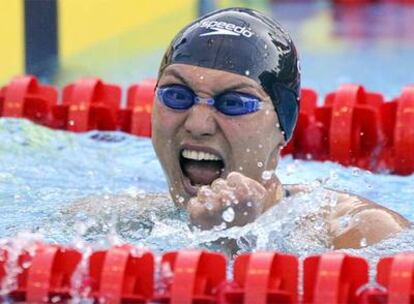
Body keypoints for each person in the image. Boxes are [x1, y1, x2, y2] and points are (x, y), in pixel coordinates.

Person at [150, 7, 410, 249]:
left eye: (233, 103)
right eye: (177, 96)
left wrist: (231, 241)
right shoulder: (135, 219)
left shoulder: (365, 231)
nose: (198, 124)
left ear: (282, 128)